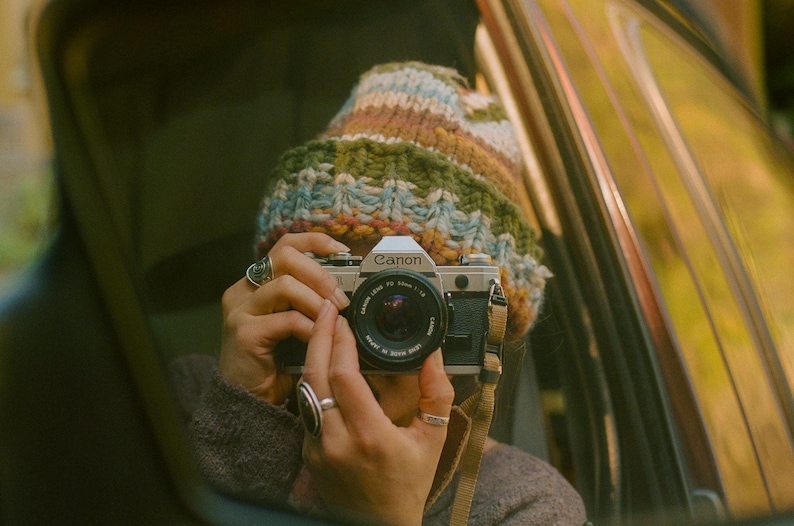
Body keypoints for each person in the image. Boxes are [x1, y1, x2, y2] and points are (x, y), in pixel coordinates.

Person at [169, 61, 587, 526]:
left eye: (420, 294)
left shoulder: (526, 505)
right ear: (285, 277)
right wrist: (241, 425)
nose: (385, 316)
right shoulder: (188, 405)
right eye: (348, 277)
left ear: (480, 326)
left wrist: (384, 515)